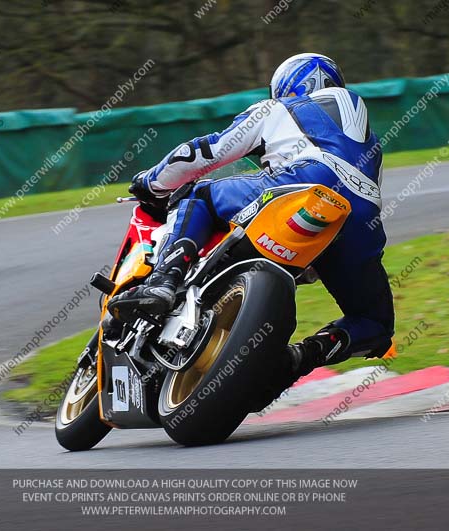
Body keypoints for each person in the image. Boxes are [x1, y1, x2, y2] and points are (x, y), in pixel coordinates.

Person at [107, 53, 395, 386]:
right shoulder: (369, 141)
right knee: (375, 323)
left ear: (289, 85)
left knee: (199, 195)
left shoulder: (279, 108)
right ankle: (300, 358)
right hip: (361, 219)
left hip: (300, 184)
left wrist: (153, 181)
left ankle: (164, 281)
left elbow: (206, 152)